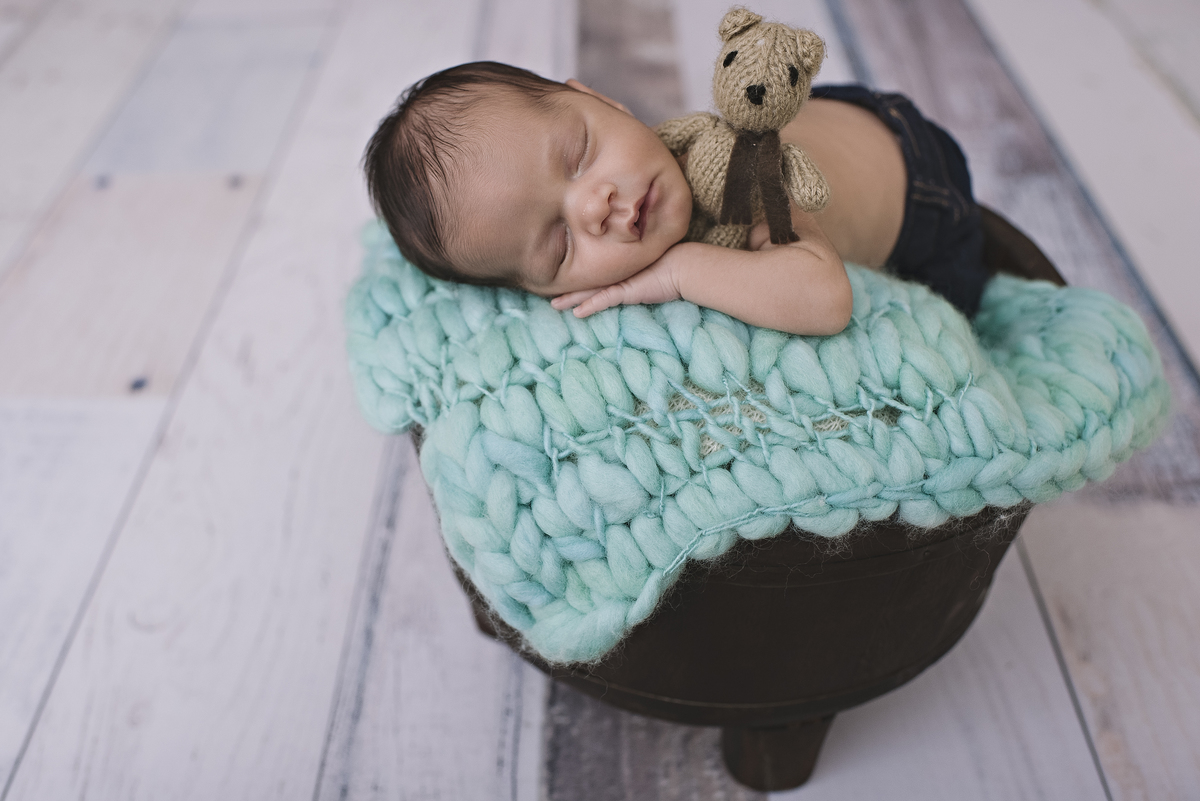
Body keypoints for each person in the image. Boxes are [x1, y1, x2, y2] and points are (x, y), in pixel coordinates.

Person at [363, 61, 988, 337]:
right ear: (542, 295)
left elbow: (825, 300)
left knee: (959, 321)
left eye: (579, 155)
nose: (593, 206)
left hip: (916, 177)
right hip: (840, 134)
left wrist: (680, 271)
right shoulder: (632, 181)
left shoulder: (739, 177)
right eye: (559, 245)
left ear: (601, 100)